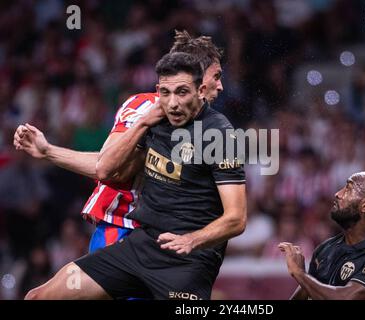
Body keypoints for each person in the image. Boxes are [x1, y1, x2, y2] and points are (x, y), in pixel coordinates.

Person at [24, 52, 247, 300]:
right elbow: (106, 169)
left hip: (186, 263)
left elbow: (236, 218)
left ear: (199, 90)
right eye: (165, 93)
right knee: (39, 297)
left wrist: (192, 240)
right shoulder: (154, 118)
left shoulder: (221, 135)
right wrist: (142, 124)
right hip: (138, 247)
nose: (172, 103)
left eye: (182, 92)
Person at [13, 30, 224, 253]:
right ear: (196, 77)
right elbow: (107, 167)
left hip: (167, 235)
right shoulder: (144, 107)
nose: (220, 86)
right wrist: (49, 152)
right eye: (216, 76)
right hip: (123, 228)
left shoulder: (205, 127)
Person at [279, 171, 365, 300]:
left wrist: (299, 274)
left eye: (348, 189)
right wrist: (304, 278)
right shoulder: (326, 248)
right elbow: (306, 292)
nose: (338, 194)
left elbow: (346, 298)